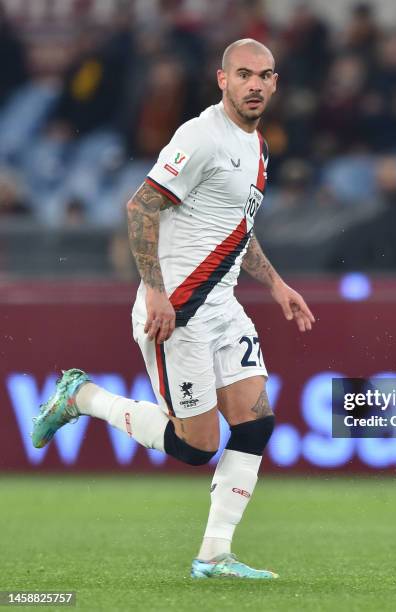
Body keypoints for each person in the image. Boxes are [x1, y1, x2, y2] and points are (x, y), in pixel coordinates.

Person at [31, 39, 315, 580]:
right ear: (222, 79)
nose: (255, 84)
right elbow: (141, 204)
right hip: (178, 310)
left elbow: (236, 230)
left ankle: (213, 556)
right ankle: (83, 397)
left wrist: (276, 284)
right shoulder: (201, 135)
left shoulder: (257, 146)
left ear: (276, 84)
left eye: (265, 75)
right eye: (244, 74)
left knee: (256, 423)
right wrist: (155, 289)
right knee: (196, 447)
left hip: (224, 306)